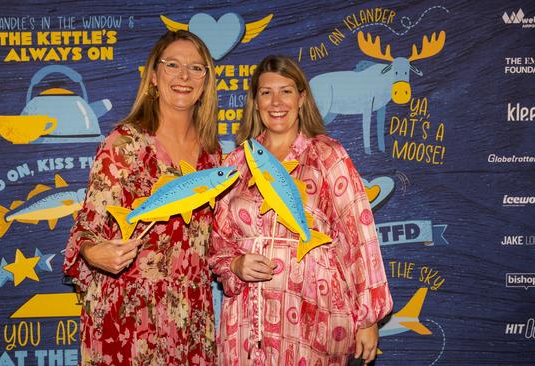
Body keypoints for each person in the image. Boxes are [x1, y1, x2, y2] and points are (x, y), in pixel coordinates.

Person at [209, 55, 393, 365]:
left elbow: (359, 237)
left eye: (286, 91)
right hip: (244, 320)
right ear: (255, 102)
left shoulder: (327, 155)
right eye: (266, 92)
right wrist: (235, 265)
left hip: (311, 314)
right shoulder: (235, 163)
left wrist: (367, 318)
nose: (276, 101)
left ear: (302, 98)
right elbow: (218, 240)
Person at [63, 30, 219, 365]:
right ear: (153, 77)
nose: (183, 76)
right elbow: (85, 231)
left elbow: (215, 240)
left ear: (206, 82)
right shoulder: (124, 144)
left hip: (190, 319)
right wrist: (94, 252)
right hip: (128, 320)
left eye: (196, 68)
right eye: (173, 65)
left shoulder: (213, 157)